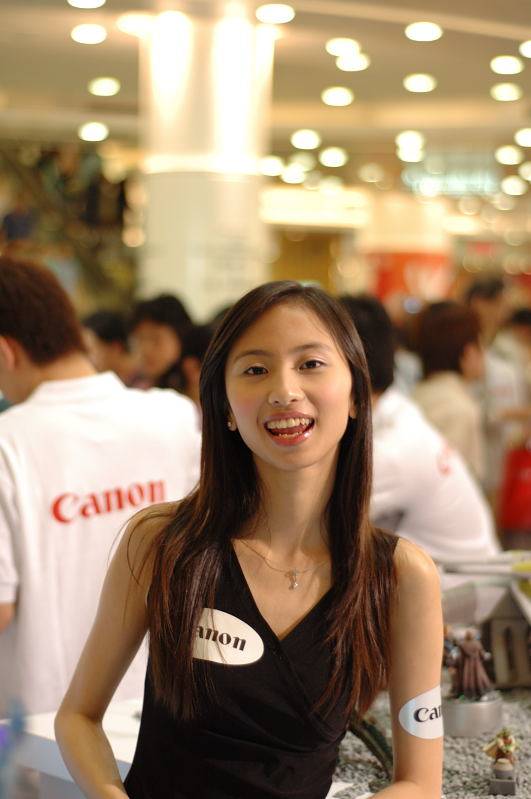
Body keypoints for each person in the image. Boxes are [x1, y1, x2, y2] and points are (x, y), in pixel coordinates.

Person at [56, 281, 443, 799]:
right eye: (256, 369)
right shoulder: (161, 543)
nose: (285, 390)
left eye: (311, 364)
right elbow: (78, 717)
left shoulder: (400, 575)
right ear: (225, 408)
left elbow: (419, 781)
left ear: (356, 394)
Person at [0, 256, 201, 716]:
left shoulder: (8, 444)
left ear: (6, 351)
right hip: (164, 709)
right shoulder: (173, 417)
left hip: (47, 724)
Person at [340, 295, 499, 562]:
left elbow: (313, 526)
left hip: (459, 581)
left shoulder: (393, 446)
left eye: (311, 363)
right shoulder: (401, 412)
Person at [412, 302, 486, 482]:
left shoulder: (415, 396)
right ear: (468, 352)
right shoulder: (459, 409)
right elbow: (452, 483)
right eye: (480, 344)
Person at [466, 278, 526, 493]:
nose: (505, 311)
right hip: (473, 458)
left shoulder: (501, 344)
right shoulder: (467, 345)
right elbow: (470, 404)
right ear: (480, 302)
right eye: (500, 303)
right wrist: (507, 414)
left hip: (499, 459)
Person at [128, 294, 192, 389]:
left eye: (156, 339)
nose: (146, 349)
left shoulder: (196, 388)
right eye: (140, 339)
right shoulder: (133, 385)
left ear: (180, 338)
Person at [82, 310, 146, 388]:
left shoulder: (147, 380)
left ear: (115, 348)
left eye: (90, 350)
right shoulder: (107, 382)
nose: (86, 358)